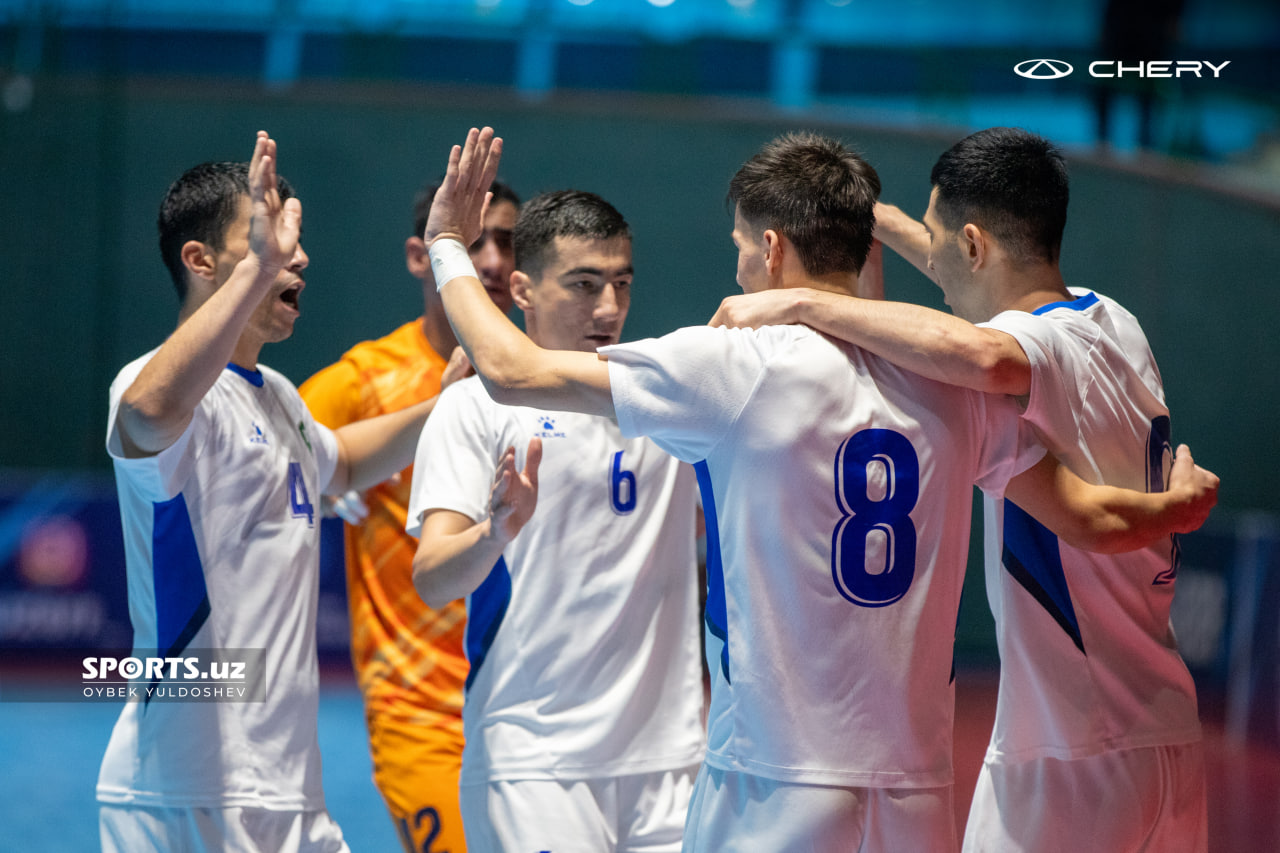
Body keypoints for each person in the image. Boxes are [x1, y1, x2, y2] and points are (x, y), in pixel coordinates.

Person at [419, 127, 1214, 851]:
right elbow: (1082, 513)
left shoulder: (732, 362)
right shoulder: (959, 389)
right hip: (916, 792)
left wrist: (449, 244)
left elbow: (511, 368)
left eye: (739, 246)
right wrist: (1174, 510)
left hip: (773, 780)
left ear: (769, 250)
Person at [710, 126, 1212, 851]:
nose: (933, 264)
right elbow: (964, 283)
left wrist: (798, 303)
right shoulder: (1114, 321)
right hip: (1165, 726)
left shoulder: (1027, 350)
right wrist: (862, 220)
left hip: (1073, 743)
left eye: (941, 243)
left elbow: (979, 350)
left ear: (976, 245)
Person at [97, 132, 450, 853]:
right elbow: (146, 415)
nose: (298, 253)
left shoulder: (281, 397)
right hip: (189, 793)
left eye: (294, 235)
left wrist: (451, 404)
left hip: (289, 796)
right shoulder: (154, 387)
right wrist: (255, 273)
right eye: (270, 234)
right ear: (201, 261)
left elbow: (343, 464)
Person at [406, 189, 706, 852]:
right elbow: (431, 578)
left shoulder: (664, 392)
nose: (609, 308)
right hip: (534, 768)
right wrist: (497, 530)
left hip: (673, 767)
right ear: (522, 288)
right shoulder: (474, 409)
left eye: (621, 284)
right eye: (584, 284)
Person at [298, 179, 519, 853]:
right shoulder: (365, 381)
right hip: (418, 711)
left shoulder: (543, 373)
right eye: (472, 241)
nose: (490, 261)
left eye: (506, 241)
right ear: (421, 256)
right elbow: (269, 452)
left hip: (532, 704)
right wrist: (329, 479)